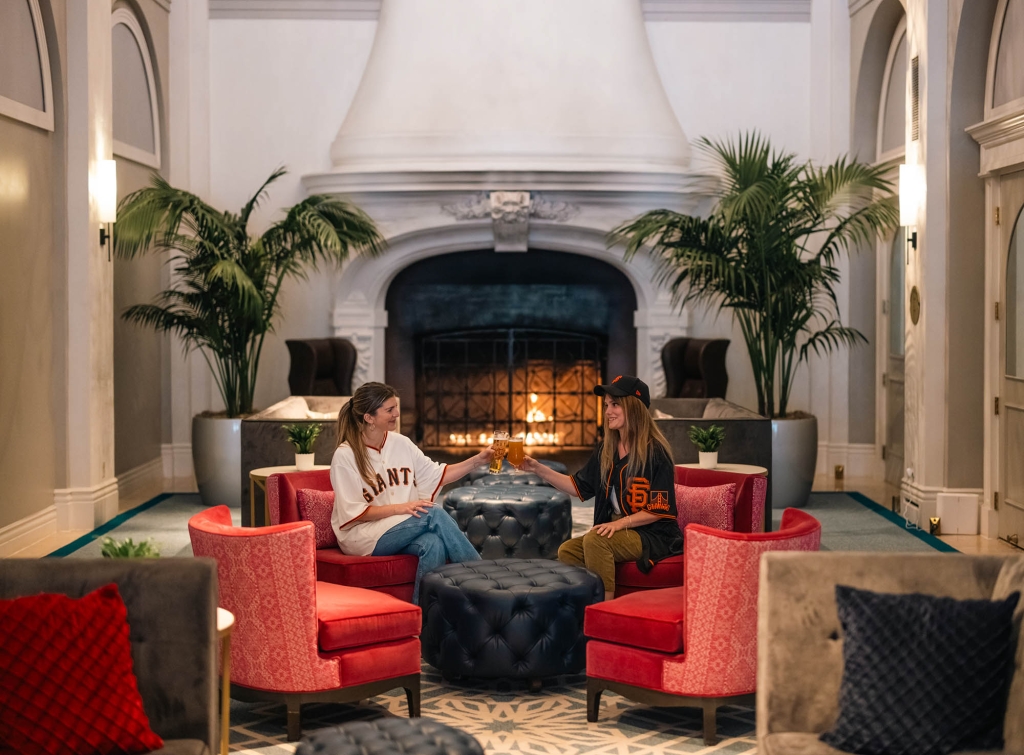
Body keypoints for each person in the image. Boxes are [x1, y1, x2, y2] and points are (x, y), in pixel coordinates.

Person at [519, 375, 681, 601]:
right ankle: (583, 605)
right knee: (568, 550)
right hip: (619, 529)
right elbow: (577, 487)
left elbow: (659, 509)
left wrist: (619, 523)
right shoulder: (607, 448)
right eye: (606, 405)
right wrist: (537, 468)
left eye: (615, 404)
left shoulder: (655, 452)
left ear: (633, 407)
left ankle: (606, 608)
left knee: (596, 540)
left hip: (652, 534)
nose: (607, 412)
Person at [330, 382, 490, 603]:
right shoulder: (345, 456)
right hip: (362, 536)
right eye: (389, 410)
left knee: (433, 544)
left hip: (400, 528)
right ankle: (484, 584)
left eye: (395, 407)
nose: (397, 414)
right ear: (369, 417)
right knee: (432, 513)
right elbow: (355, 513)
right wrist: (401, 508)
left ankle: (422, 616)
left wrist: (478, 460)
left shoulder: (401, 443)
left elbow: (437, 474)